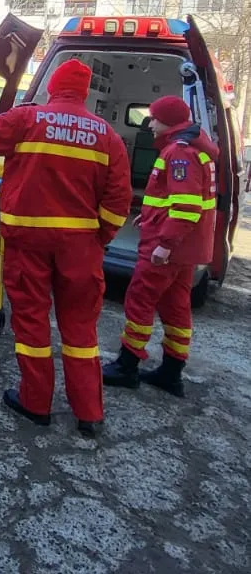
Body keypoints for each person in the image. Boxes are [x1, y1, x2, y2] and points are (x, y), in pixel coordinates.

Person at [0, 59, 131, 436]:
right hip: (80, 246)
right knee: (80, 329)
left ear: (53, 86)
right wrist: (100, 236)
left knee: (32, 321)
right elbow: (119, 198)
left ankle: (36, 401)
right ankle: (89, 413)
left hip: (28, 240)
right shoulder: (107, 135)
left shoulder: (29, 119)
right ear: (85, 92)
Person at [102, 97, 218, 398]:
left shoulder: (179, 153)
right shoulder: (193, 149)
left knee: (140, 299)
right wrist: (152, 214)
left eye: (154, 118)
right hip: (186, 249)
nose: (150, 124)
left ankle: (127, 366)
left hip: (170, 248)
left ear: (168, 121)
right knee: (176, 306)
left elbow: (186, 208)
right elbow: (177, 200)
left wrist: (165, 244)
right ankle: (171, 371)